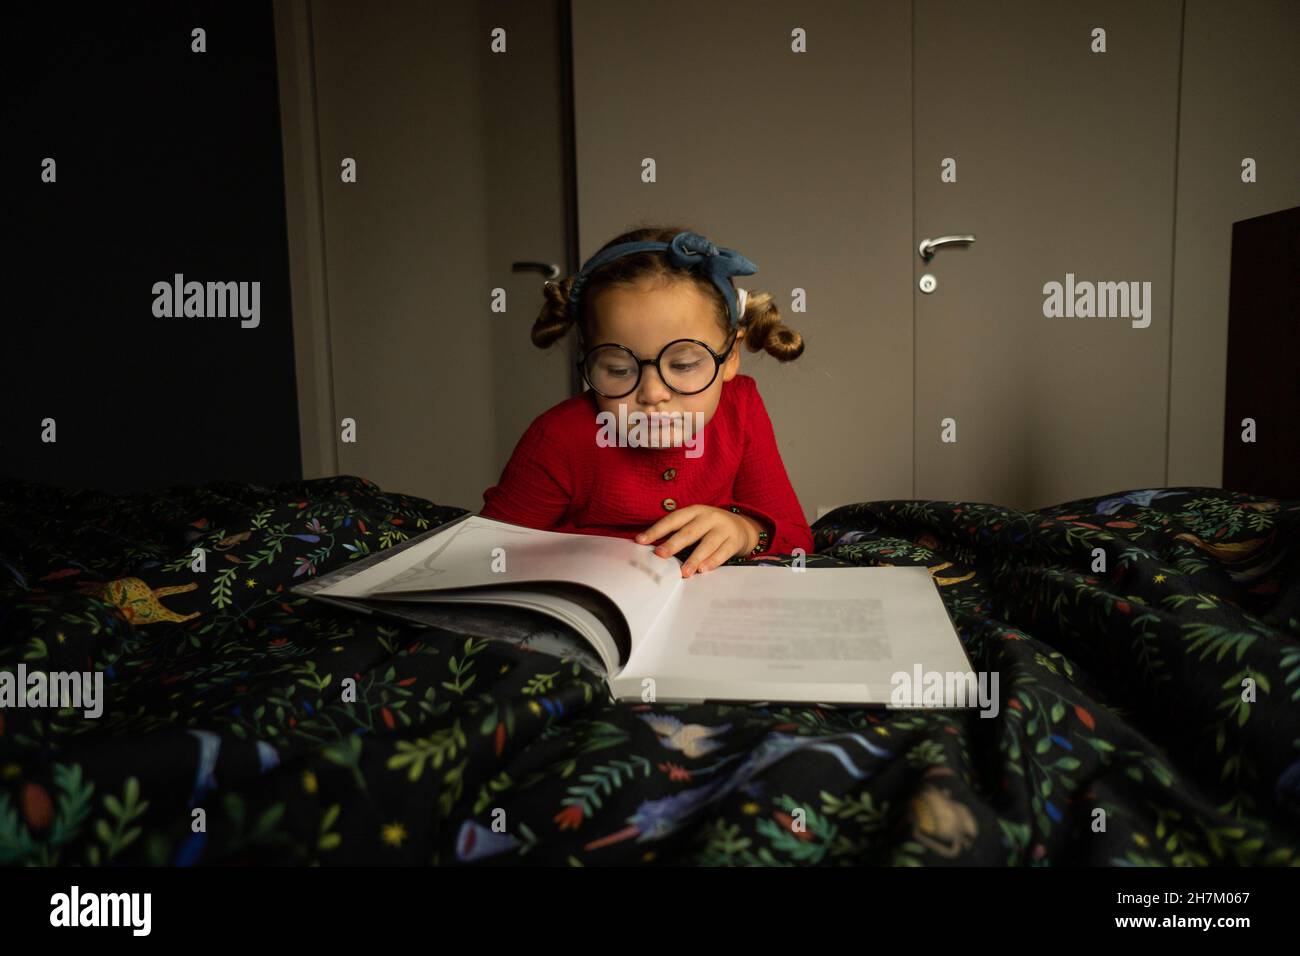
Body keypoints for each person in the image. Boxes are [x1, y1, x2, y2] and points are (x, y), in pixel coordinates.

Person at [480, 225, 813, 578]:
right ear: (588, 359)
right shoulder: (559, 437)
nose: (653, 393)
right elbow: (488, 555)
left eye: (684, 365)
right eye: (619, 369)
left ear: (730, 357)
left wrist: (745, 532)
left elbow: (797, 542)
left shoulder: (741, 409)